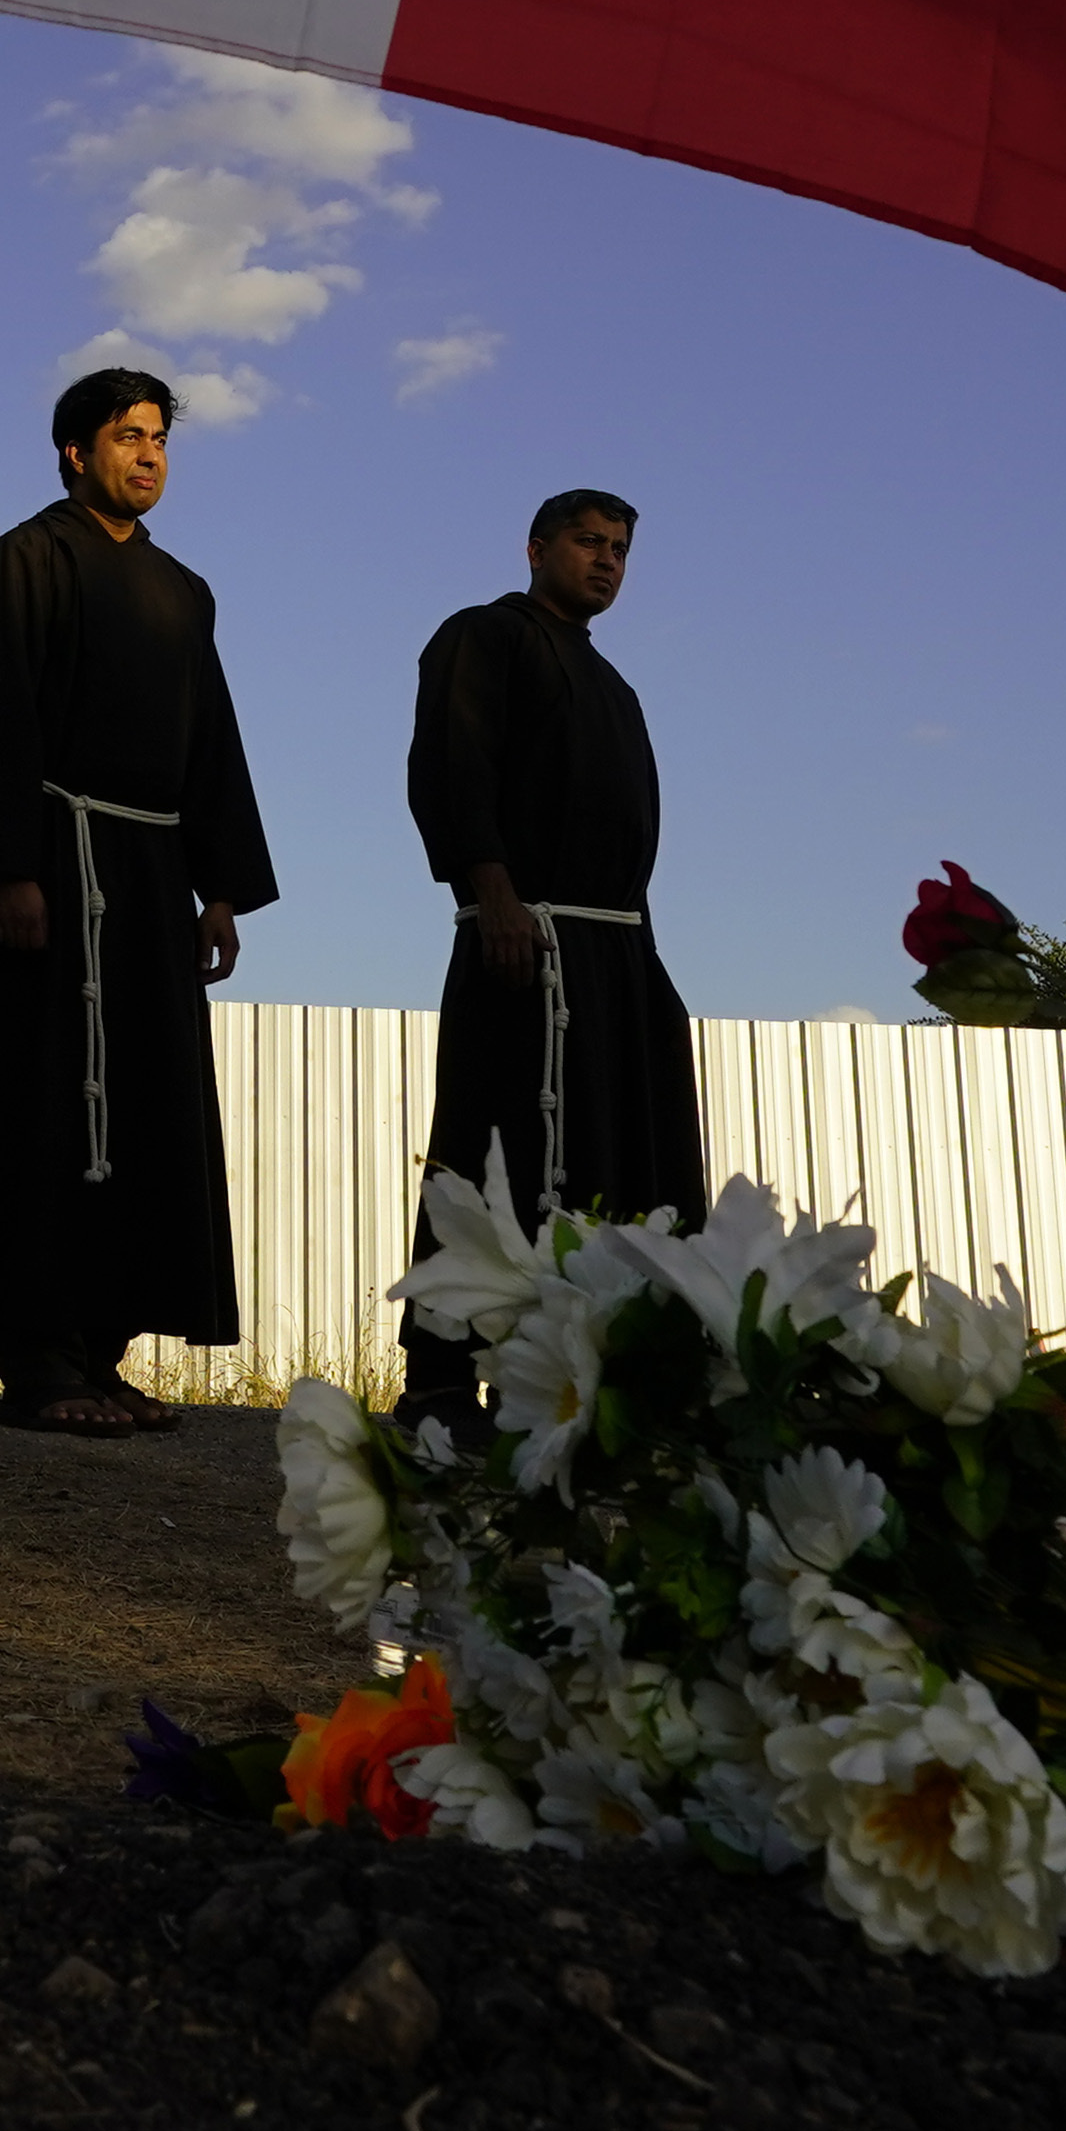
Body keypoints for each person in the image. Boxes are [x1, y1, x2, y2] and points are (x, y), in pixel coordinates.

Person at [0, 368, 277, 1439]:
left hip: (151, 877)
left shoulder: (183, 593)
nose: (149, 455)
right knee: (41, 1098)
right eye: (127, 436)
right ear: (73, 452)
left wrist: (220, 889)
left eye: (159, 438)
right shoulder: (15, 565)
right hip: (52, 860)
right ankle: (34, 1354)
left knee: (145, 1103)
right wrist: (10, 868)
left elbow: (208, 738)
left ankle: (104, 1346)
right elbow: (0, 722)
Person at [396, 489, 703, 1433]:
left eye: (619, 548)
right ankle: (442, 1382)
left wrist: (641, 964)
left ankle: (574, 1388)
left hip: (615, 953)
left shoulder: (615, 686)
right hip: (520, 938)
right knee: (496, 1153)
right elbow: (453, 761)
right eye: (586, 542)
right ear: (536, 548)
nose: (605, 560)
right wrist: (491, 892)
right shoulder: (484, 637)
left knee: (619, 1164)